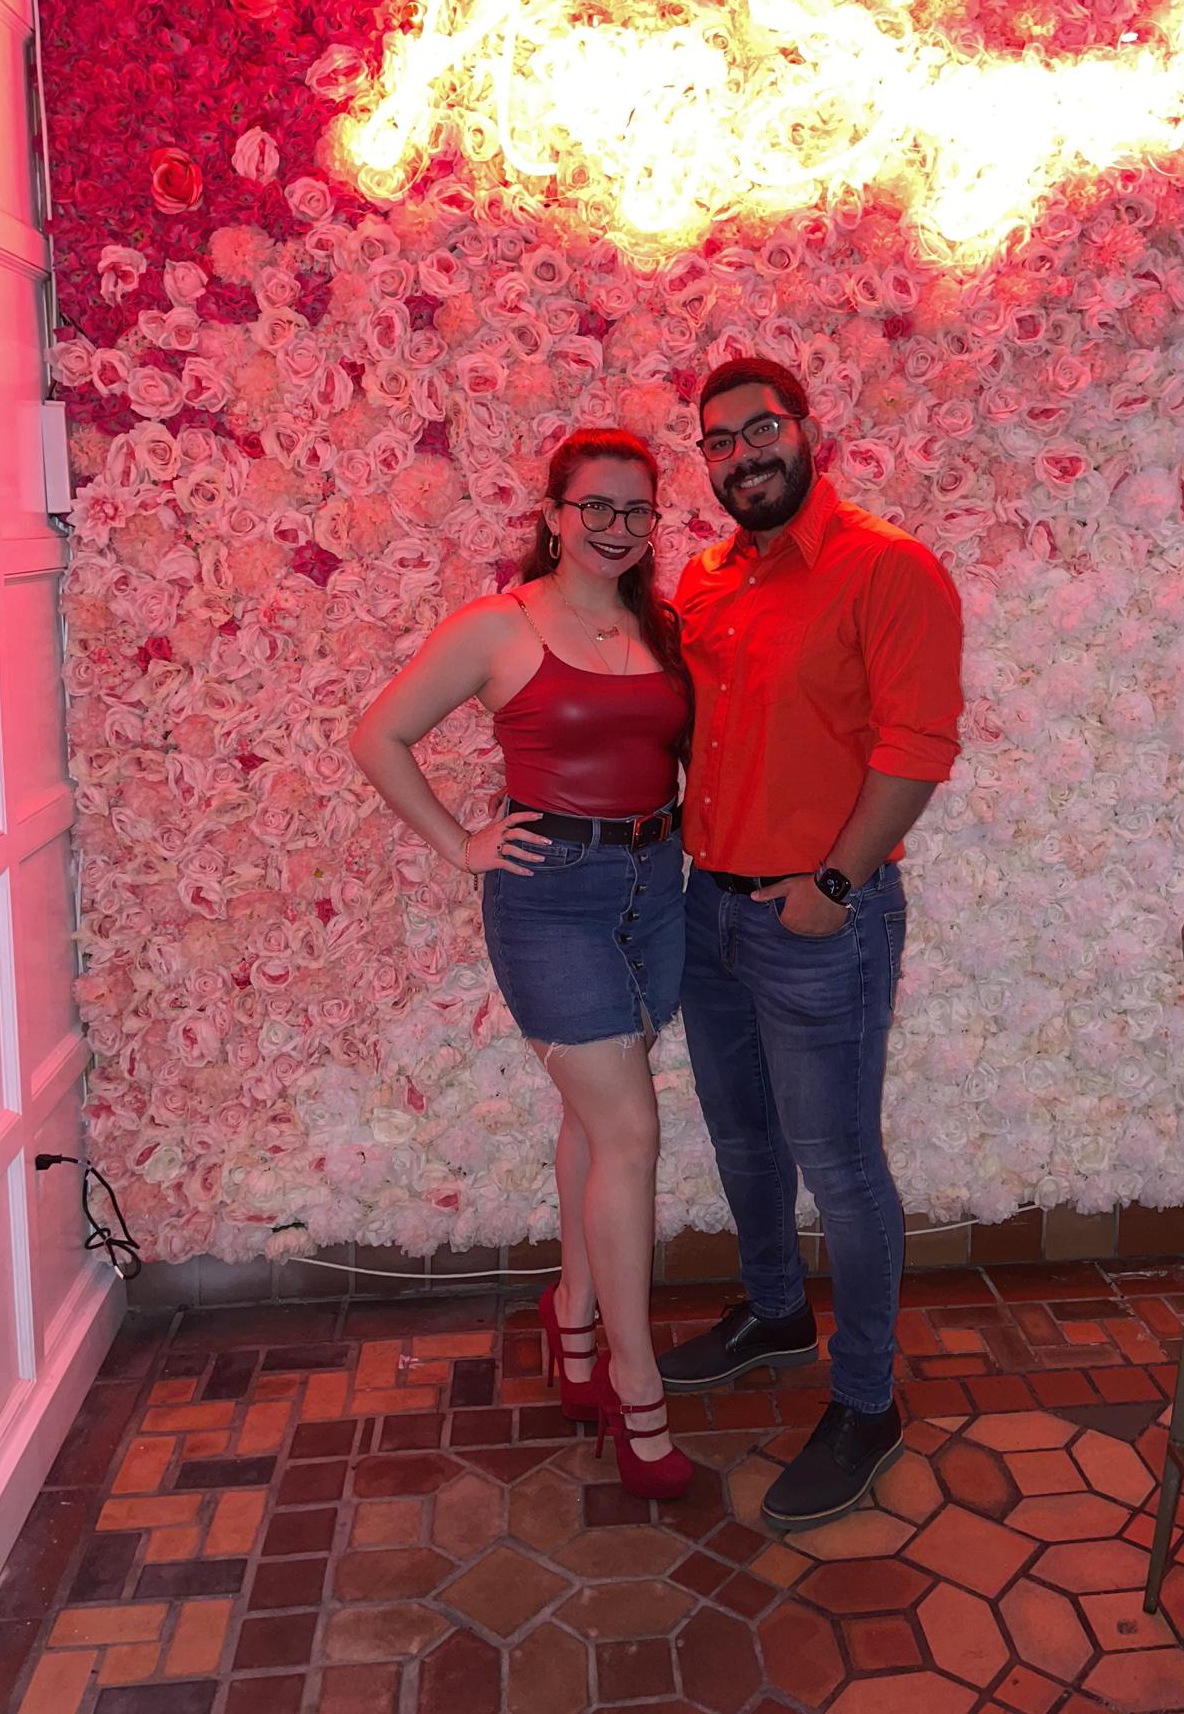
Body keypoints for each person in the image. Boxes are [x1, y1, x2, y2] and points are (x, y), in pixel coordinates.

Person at [350, 428, 694, 1502]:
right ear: (553, 514)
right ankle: (636, 1385)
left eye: (636, 509)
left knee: (595, 1120)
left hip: (656, 887)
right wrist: (461, 843)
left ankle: (574, 1314)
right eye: (595, 506)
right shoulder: (498, 625)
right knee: (629, 1131)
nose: (616, 528)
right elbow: (377, 737)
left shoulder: (661, 625)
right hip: (552, 898)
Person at [662, 355, 964, 1530]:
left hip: (820, 918)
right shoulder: (705, 578)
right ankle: (776, 1309)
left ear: (807, 431)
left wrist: (835, 883)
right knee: (742, 1135)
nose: (743, 454)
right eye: (719, 440)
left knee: (837, 1163)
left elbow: (918, 746)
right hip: (710, 907)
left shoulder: (886, 566)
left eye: (762, 428)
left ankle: (866, 1400)